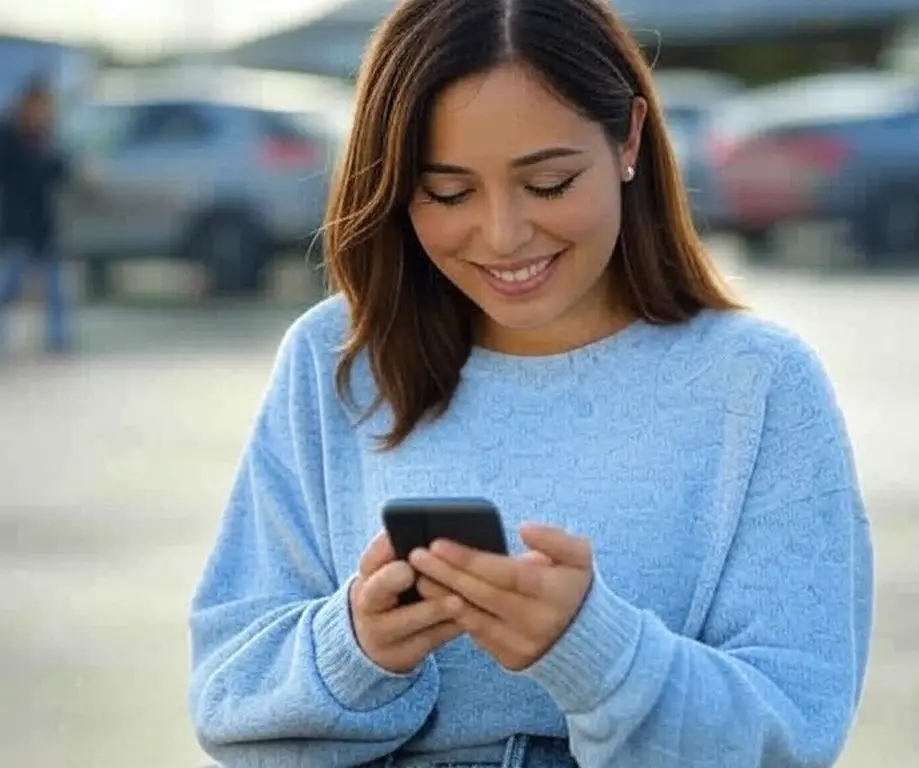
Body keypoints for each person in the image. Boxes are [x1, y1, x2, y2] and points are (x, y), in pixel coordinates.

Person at [188, 1, 874, 766]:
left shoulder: (760, 384)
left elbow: (795, 732)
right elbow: (227, 693)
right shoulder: (338, 356)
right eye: (448, 193)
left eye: (548, 183)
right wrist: (356, 647)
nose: (505, 235)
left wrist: (600, 654)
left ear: (630, 140)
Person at [0, 75, 74, 355]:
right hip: (18, 223)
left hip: (44, 224)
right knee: (9, 286)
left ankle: (59, 340)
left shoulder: (45, 136)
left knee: (56, 289)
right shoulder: (9, 135)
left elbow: (58, 170)